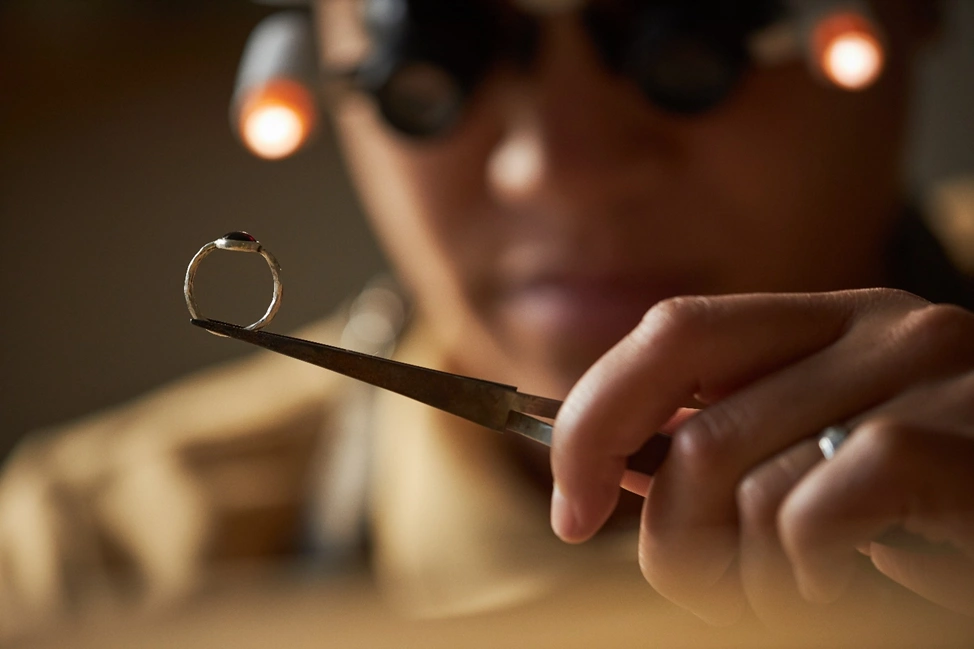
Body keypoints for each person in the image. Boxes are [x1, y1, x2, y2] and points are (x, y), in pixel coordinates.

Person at [1, 0, 973, 644]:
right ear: (315, 56)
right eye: (432, 70)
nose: (555, 166)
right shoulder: (84, 570)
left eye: (685, 35)